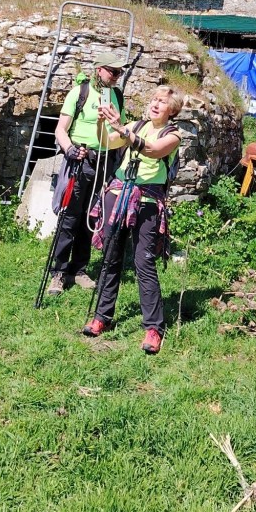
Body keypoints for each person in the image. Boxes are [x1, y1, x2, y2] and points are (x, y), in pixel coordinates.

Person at [82, 85, 184, 355]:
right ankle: (102, 316)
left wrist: (121, 128)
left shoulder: (172, 135)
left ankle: (154, 328)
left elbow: (152, 150)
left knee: (143, 262)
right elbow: (106, 142)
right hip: (118, 194)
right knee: (110, 257)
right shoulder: (136, 125)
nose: (155, 104)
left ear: (172, 110)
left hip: (147, 201)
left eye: (162, 102)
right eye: (154, 99)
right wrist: (103, 123)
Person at [46, 50, 127, 296]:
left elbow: (121, 130)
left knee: (90, 217)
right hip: (80, 160)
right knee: (70, 215)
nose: (117, 76)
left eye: (119, 72)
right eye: (113, 71)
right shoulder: (79, 92)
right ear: (99, 69)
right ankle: (58, 272)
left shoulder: (116, 96)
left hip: (105, 162)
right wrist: (69, 149)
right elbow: (61, 129)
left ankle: (79, 269)